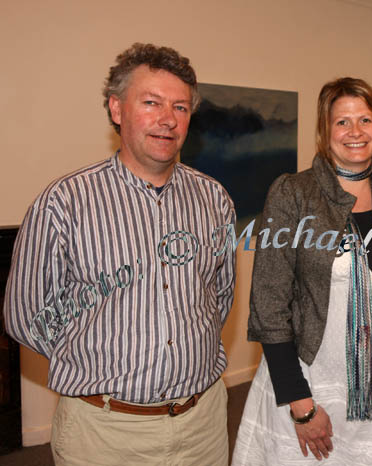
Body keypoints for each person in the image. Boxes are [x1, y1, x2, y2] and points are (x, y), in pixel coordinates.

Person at [3, 43, 235, 466]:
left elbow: (218, 297)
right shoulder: (64, 202)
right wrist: (94, 353)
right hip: (104, 434)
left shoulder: (214, 199)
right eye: (151, 103)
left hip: (203, 424)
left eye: (180, 108)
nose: (168, 119)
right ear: (116, 109)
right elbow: (27, 317)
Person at [232, 77, 372, 465]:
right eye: (342, 122)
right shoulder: (293, 194)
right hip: (313, 385)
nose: (355, 132)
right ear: (325, 131)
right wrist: (301, 404)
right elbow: (269, 304)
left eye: (365, 120)